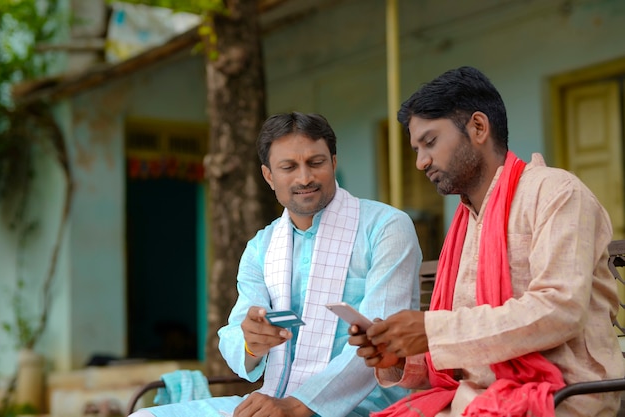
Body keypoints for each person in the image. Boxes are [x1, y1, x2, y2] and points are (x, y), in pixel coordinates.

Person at [349, 66, 625, 417]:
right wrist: (400, 357)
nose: (421, 162)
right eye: (416, 149)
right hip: (478, 399)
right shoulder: (465, 224)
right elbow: (466, 355)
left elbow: (559, 309)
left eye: (430, 142)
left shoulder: (556, 193)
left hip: (562, 397)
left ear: (478, 127)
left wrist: (433, 330)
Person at [132, 112, 422, 417]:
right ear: (269, 176)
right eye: (289, 167)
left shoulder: (385, 227)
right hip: (276, 400)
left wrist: (297, 406)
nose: (305, 178)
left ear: (334, 163)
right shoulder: (262, 247)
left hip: (366, 406)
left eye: (316, 162)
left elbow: (382, 341)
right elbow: (236, 331)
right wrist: (251, 343)